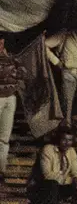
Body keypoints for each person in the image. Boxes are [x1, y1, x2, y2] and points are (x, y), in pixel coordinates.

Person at [46, 23, 77, 126]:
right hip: (69, 72)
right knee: (67, 103)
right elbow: (45, 45)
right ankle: (66, 129)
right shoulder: (64, 33)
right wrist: (56, 61)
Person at [32, 129, 77, 204]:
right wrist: (70, 180)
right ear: (58, 140)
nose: (67, 143)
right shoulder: (48, 149)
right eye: (64, 139)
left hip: (61, 186)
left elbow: (76, 170)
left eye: (70, 140)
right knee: (52, 184)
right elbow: (47, 175)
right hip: (44, 187)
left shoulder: (71, 151)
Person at [0, 33, 22, 183]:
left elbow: (22, 73)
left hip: (10, 97)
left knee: (4, 138)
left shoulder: (12, 57)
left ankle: (1, 169)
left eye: (1, 41)